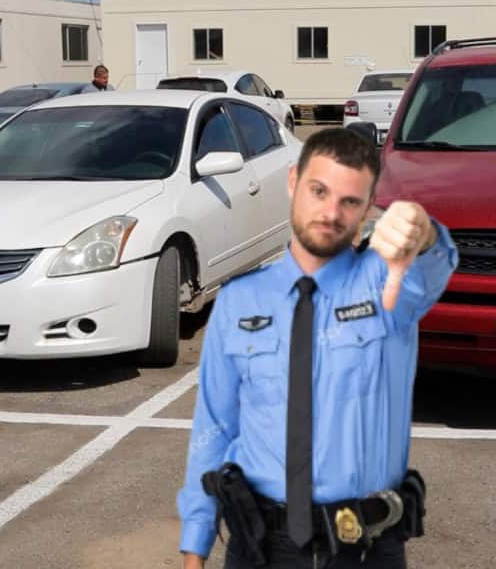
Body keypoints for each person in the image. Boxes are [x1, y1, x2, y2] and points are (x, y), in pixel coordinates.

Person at [178, 128, 458, 568]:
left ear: (368, 208)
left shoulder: (388, 285)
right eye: (319, 191)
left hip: (363, 549)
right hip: (260, 548)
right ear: (293, 182)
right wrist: (195, 544)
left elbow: (431, 266)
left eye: (350, 201)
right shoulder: (239, 300)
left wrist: (422, 234)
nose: (331, 212)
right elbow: (214, 426)